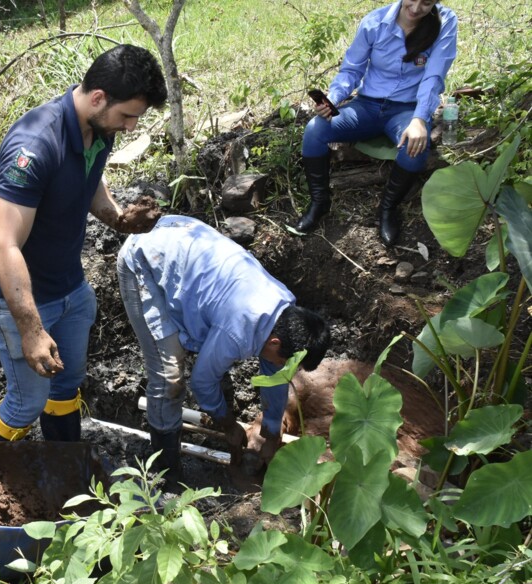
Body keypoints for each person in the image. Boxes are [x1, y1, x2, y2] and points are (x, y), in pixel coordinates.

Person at [0, 44, 167, 443]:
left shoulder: (97, 128)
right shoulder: (34, 146)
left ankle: (62, 464)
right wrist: (30, 329)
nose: (131, 127)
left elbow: (90, 179)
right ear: (98, 97)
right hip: (23, 298)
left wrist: (118, 218)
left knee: (67, 383)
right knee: (26, 403)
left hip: (70, 288)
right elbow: (4, 246)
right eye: (128, 116)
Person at [117, 215, 331, 487]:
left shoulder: (284, 309)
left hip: (182, 238)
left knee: (215, 352)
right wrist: (228, 425)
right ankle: (165, 468)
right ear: (275, 344)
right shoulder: (237, 329)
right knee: (168, 377)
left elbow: (275, 373)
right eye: (288, 362)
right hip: (146, 257)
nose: (288, 369)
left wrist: (272, 431)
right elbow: (202, 382)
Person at [295, 0, 458, 246]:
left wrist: (419, 119)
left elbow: (434, 76)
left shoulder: (444, 22)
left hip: (407, 109)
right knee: (315, 130)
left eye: (426, 3)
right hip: (367, 106)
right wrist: (334, 100)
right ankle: (319, 202)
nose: (416, 8)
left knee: (415, 147)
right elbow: (351, 70)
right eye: (412, 0)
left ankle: (388, 209)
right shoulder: (375, 22)